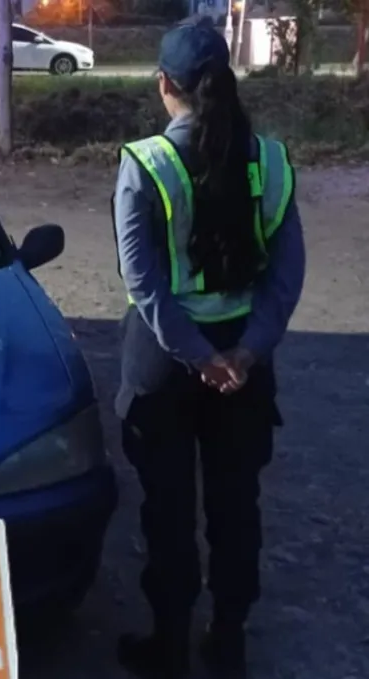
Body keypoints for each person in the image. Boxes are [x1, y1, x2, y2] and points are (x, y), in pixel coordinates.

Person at [111, 15, 305, 679]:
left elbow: (143, 282)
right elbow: (287, 275)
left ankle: (167, 645)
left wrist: (198, 355)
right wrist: (246, 352)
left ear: (164, 85)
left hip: (167, 363)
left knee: (167, 507)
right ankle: (228, 639)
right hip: (244, 367)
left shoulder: (147, 164)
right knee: (235, 501)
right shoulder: (270, 159)